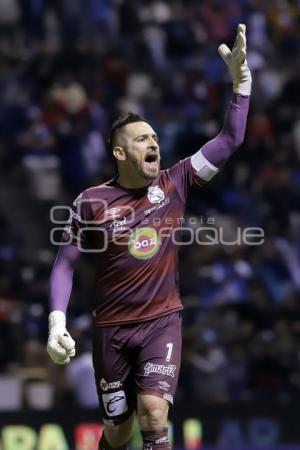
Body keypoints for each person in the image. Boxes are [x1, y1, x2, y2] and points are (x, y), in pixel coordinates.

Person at [47, 24, 252, 450]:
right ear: (120, 153)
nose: (153, 143)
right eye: (142, 139)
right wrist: (56, 323)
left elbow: (230, 140)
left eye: (155, 137)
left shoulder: (176, 181)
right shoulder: (91, 201)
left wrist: (241, 86)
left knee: (153, 413)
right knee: (119, 432)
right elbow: (65, 263)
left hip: (162, 321)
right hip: (111, 331)